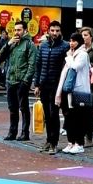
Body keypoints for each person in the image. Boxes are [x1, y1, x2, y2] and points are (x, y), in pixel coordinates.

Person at [32, 20, 68, 154]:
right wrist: (37, 84)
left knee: (54, 114)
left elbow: (66, 67)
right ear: (48, 31)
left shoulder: (65, 47)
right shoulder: (43, 46)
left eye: (57, 31)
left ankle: (54, 143)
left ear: (60, 32)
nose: (55, 33)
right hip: (44, 84)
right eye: (52, 30)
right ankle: (48, 140)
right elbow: (39, 65)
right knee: (47, 114)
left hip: (57, 85)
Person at [57, 31, 93, 154]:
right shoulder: (71, 54)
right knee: (70, 118)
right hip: (69, 91)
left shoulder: (82, 54)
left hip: (79, 91)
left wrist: (68, 57)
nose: (71, 43)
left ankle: (79, 143)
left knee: (78, 118)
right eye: (70, 41)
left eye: (74, 41)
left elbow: (75, 67)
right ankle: (71, 143)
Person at [1, 20, 37, 141]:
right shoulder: (12, 43)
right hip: (10, 79)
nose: (16, 32)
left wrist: (26, 81)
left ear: (25, 30)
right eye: (15, 30)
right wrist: (8, 44)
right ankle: (12, 132)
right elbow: (1, 56)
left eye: (19, 30)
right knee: (12, 108)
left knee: (23, 107)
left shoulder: (29, 44)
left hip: (21, 80)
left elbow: (32, 65)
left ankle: (25, 133)